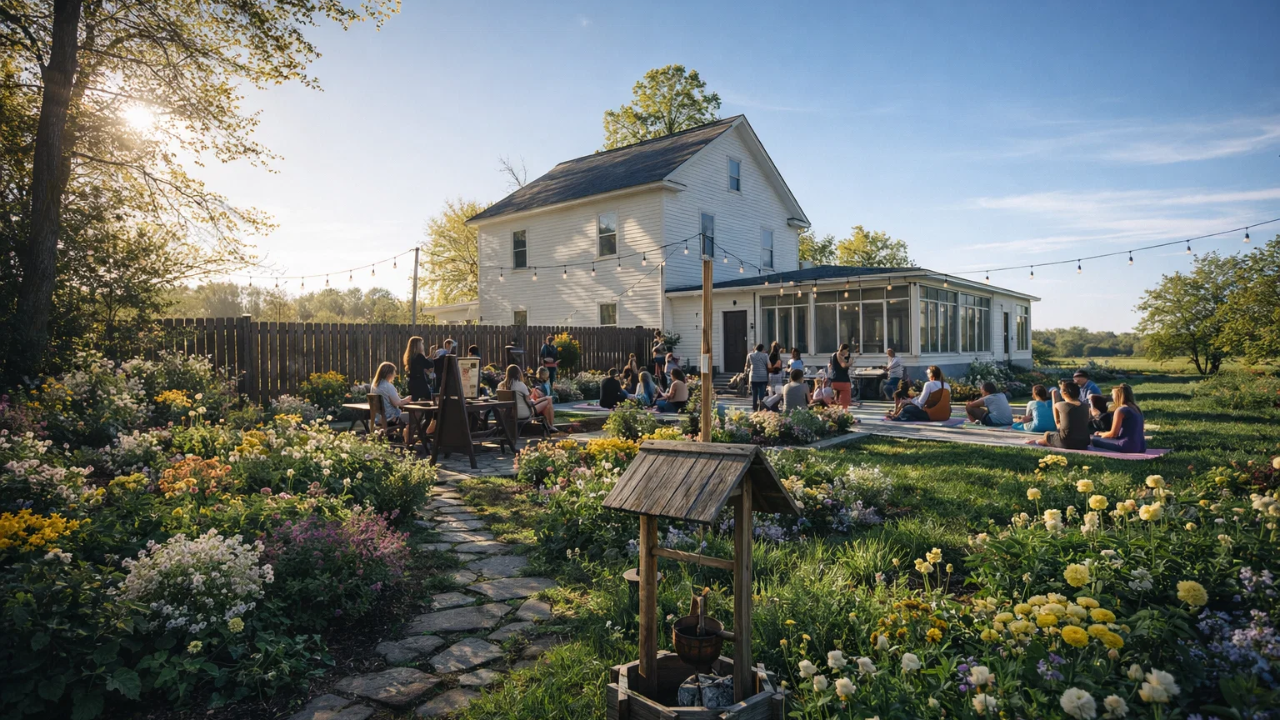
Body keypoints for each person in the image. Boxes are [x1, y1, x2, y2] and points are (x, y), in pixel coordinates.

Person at [1091, 383, 1146, 453]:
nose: (1112, 397)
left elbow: (1113, 434)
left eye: (1113, 395)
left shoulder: (1121, 410)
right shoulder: (1137, 409)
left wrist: (1100, 434)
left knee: (1093, 440)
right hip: (1141, 447)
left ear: (1118, 396)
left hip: (1127, 446)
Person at [1036, 380, 1091, 449]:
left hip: (1066, 442)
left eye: (1061, 390)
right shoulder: (1086, 406)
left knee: (1047, 434)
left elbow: (1057, 424)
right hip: (1084, 442)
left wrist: (1054, 397)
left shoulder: (1061, 405)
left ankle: (1045, 442)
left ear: (1064, 393)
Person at [370, 361, 416, 442]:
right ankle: (408, 441)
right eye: (394, 372)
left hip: (378, 419)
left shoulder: (374, 386)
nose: (395, 374)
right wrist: (408, 399)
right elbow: (397, 403)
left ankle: (400, 438)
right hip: (391, 418)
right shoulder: (388, 386)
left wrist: (404, 399)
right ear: (389, 374)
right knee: (414, 417)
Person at [403, 336, 432, 403]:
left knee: (414, 401)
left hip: (412, 382)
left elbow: (422, 362)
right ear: (418, 345)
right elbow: (429, 365)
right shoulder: (419, 356)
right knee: (428, 399)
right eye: (421, 344)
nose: (422, 346)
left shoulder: (410, 357)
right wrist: (432, 357)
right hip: (420, 383)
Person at [746, 343, 771, 411]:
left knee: (754, 393)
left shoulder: (750, 355)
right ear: (762, 349)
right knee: (762, 393)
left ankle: (754, 406)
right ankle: (761, 407)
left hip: (753, 376)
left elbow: (747, 366)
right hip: (763, 377)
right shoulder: (765, 355)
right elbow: (769, 366)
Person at [829, 343, 853, 408]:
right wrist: (850, 363)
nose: (848, 352)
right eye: (847, 350)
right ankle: (844, 411)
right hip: (843, 381)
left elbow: (830, 366)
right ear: (843, 349)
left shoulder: (833, 355)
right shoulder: (838, 355)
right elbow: (843, 365)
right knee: (845, 404)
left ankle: (836, 402)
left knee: (836, 401)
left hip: (834, 381)